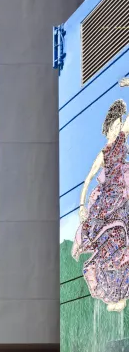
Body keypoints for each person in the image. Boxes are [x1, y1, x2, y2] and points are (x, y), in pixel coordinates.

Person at [72, 87, 129, 312]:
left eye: (119, 125)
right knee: (109, 249)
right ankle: (114, 296)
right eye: (114, 126)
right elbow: (87, 179)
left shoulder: (122, 140)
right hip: (107, 203)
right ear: (107, 130)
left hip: (121, 200)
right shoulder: (104, 154)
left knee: (122, 245)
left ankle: (121, 296)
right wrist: (82, 204)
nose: (117, 129)